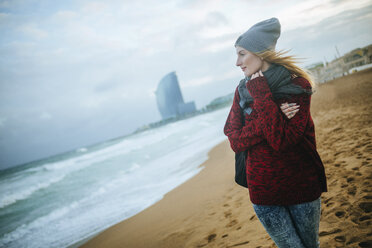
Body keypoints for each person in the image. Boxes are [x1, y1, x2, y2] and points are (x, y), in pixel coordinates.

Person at [223, 17, 327, 248]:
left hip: (302, 184)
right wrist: (269, 115)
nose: (237, 62)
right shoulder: (242, 90)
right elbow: (234, 139)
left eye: (242, 54)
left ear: (260, 52)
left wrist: (261, 96)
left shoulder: (297, 86)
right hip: (263, 193)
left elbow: (281, 140)